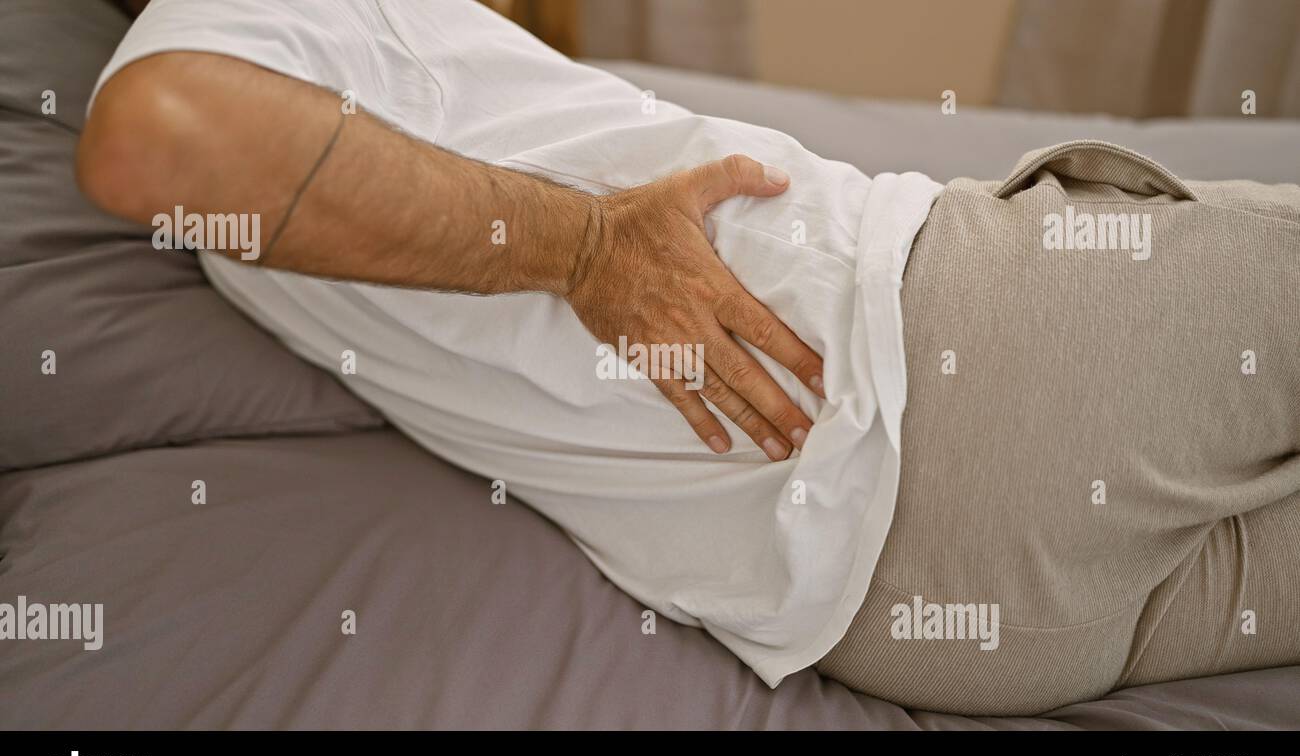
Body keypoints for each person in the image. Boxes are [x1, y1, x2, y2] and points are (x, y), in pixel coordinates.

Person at [79, 0, 1299, 714]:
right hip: (953, 357)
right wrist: (590, 249)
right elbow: (154, 136)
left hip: (908, 624)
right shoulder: (215, 27)